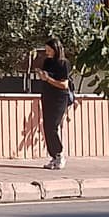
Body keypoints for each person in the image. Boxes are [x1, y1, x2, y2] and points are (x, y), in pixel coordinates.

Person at [32, 39, 75, 170]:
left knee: (53, 126)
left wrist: (48, 79)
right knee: (46, 126)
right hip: (47, 96)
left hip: (59, 98)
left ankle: (60, 154)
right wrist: (42, 75)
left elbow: (64, 85)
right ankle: (53, 156)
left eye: (49, 49)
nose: (47, 52)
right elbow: (46, 77)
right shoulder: (47, 62)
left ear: (56, 49)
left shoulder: (64, 63)